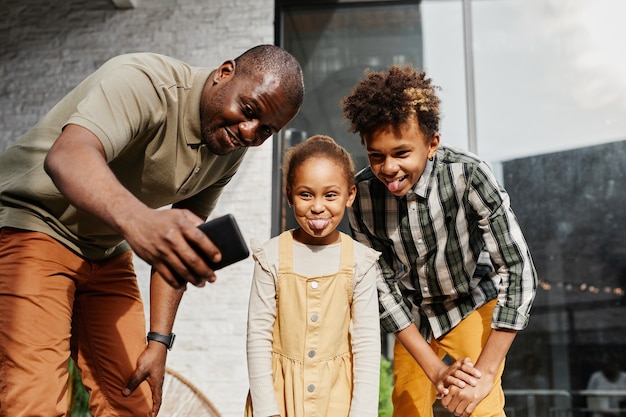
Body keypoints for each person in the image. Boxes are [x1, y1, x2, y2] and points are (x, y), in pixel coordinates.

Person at [0, 44, 304, 417]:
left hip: (105, 250)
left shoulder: (229, 148)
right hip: (34, 224)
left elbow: (180, 242)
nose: (249, 132)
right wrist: (140, 221)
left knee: (134, 399)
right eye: (249, 110)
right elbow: (67, 155)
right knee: (36, 403)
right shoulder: (144, 83)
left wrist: (159, 341)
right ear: (224, 72)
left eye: (266, 130)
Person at [341, 65, 537, 417]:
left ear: (432, 143)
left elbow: (518, 269)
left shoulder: (469, 174)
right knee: (408, 409)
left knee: (480, 406)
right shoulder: (363, 195)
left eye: (401, 153)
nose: (387, 168)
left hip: (470, 303)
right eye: (376, 155)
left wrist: (486, 374)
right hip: (414, 317)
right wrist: (436, 369)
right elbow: (382, 289)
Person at [244, 135, 381, 417]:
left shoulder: (361, 262)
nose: (317, 206)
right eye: (306, 194)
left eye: (330, 195)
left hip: (338, 400)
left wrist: (362, 413)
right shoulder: (270, 258)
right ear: (289, 196)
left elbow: (366, 343)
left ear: (350, 195)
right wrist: (266, 410)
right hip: (279, 398)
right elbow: (258, 337)